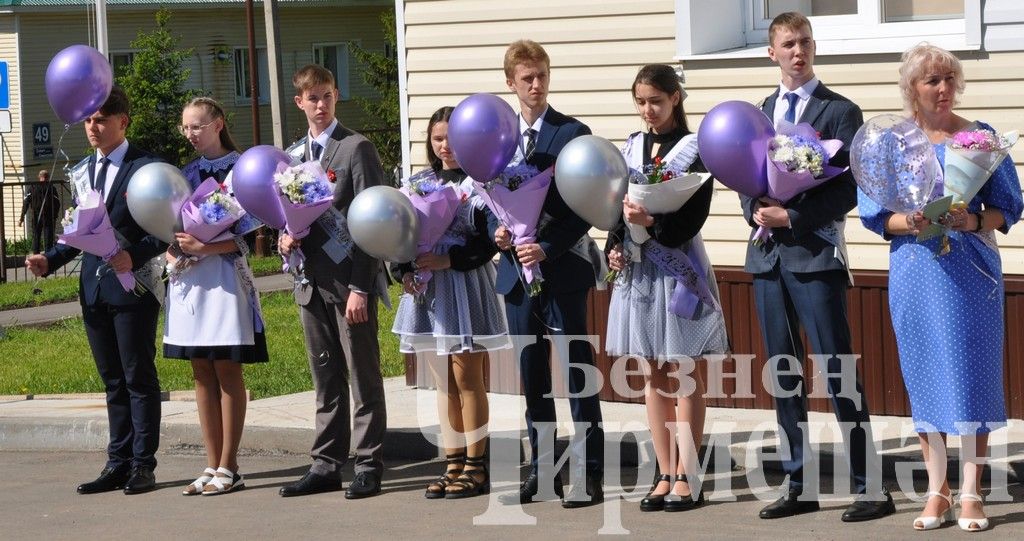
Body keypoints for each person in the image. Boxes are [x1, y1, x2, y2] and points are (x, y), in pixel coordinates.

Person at [858, 43, 1023, 532]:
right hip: (914, 269)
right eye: (932, 80)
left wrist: (971, 219)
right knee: (925, 374)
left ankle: (972, 491)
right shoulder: (890, 142)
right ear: (912, 87)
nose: (943, 88)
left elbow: (1009, 207)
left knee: (972, 375)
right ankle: (937, 491)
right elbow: (874, 215)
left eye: (950, 79)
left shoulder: (979, 138)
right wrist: (913, 220)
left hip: (972, 271)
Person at [739, 12, 894, 521]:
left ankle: (872, 487)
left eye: (805, 41)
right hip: (767, 259)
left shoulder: (839, 110)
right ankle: (798, 484)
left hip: (815, 258)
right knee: (784, 373)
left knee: (837, 369)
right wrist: (757, 210)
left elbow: (850, 185)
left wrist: (795, 215)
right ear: (772, 53)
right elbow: (744, 174)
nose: (798, 51)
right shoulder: (761, 110)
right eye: (788, 44)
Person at [25, 87, 165, 495]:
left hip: (132, 287)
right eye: (88, 120)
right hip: (94, 288)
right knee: (112, 380)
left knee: (138, 376)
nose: (92, 127)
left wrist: (134, 256)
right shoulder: (83, 169)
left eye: (101, 119)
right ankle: (117, 462)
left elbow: (167, 228)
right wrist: (50, 259)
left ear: (123, 121)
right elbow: (78, 231)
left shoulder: (147, 168)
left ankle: (143, 464)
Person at [605, 64, 729, 513]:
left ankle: (689, 474)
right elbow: (617, 208)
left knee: (683, 372)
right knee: (652, 373)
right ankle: (663, 470)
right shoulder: (632, 146)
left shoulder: (694, 150)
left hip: (677, 266)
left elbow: (693, 216)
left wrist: (652, 222)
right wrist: (614, 246)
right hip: (639, 269)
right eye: (640, 102)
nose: (647, 110)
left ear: (675, 98)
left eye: (655, 101)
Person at [488, 39, 602, 508]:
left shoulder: (572, 132)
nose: (536, 85)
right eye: (527, 78)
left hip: (562, 267)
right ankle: (542, 469)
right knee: (532, 374)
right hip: (516, 273)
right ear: (510, 83)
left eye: (543, 76)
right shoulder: (496, 137)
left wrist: (548, 246)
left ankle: (590, 471)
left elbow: (587, 202)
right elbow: (481, 197)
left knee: (576, 371)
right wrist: (494, 231)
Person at [277, 64, 388, 499]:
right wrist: (286, 238)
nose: (320, 105)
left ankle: (368, 463)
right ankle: (325, 463)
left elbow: (373, 221)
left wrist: (362, 286)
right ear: (299, 102)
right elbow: (286, 215)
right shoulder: (291, 156)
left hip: (348, 285)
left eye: (326, 96)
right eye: (312, 98)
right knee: (325, 376)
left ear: (336, 96)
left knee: (362, 375)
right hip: (308, 282)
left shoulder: (355, 148)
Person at [390, 106, 507, 499]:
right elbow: (400, 234)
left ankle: (477, 465)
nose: (445, 146)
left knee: (467, 378)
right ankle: (453, 461)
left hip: (463, 285)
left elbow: (490, 239)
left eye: (453, 139)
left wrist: (450, 259)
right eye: (438, 138)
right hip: (428, 290)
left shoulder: (479, 185)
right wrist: (402, 270)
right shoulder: (419, 183)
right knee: (443, 384)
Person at [165, 97, 268, 496]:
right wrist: (174, 247)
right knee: (200, 372)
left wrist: (205, 247)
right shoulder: (184, 173)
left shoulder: (243, 170)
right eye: (185, 127)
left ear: (218, 124)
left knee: (226, 369)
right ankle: (210, 464)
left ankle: (230, 464)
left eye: (197, 126)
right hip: (189, 282)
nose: (190, 134)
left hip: (225, 281)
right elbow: (169, 224)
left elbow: (247, 235)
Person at [18, 169, 62, 253]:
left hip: (36, 216)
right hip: (49, 217)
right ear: (48, 177)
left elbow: (26, 203)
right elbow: (57, 203)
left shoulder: (32, 187)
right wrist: (55, 216)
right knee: (48, 239)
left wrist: (21, 218)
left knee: (36, 237)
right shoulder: (51, 188)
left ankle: (36, 257)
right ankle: (48, 259)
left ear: (39, 177)